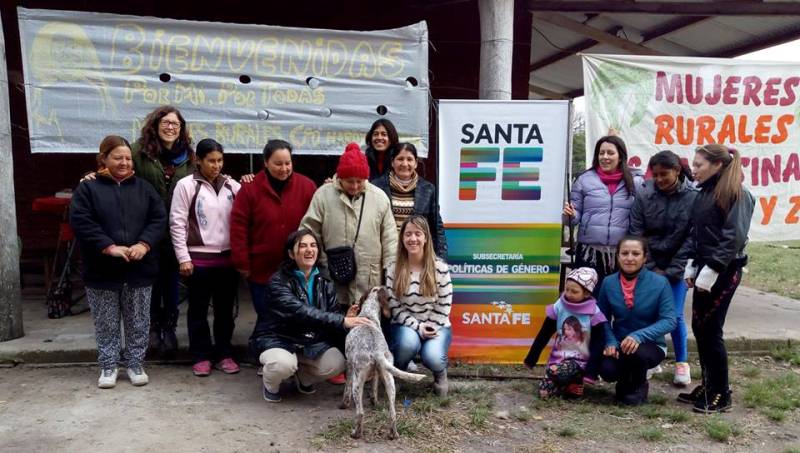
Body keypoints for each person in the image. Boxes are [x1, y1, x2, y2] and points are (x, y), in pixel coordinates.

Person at [70, 135, 166, 388]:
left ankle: (135, 363)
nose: (124, 162)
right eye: (117, 157)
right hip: (101, 269)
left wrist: (143, 244)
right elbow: (81, 221)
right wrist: (108, 247)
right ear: (103, 158)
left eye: (127, 157)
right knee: (106, 321)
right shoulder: (88, 189)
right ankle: (108, 365)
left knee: (138, 320)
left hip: (139, 268)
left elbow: (158, 219)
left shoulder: (144, 188)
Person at [249, 229, 373, 403]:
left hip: (309, 341)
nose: (310, 250)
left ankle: (301, 379)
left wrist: (344, 317)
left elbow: (331, 316)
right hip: (277, 338)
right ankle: (271, 386)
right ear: (292, 254)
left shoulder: (324, 280)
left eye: (313, 245)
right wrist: (342, 320)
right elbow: (301, 312)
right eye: (303, 246)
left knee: (337, 362)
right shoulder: (278, 282)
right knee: (283, 364)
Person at [681, 144, 755, 414]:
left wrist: (711, 270)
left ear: (718, 165)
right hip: (703, 270)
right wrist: (692, 266)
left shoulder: (737, 193)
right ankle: (709, 384)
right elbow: (696, 232)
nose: (694, 169)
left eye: (699, 164)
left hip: (723, 271)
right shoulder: (703, 193)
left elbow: (733, 238)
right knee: (700, 328)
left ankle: (721, 394)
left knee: (711, 331)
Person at [170, 138, 241, 377]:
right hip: (198, 261)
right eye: (211, 160)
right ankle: (201, 355)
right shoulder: (186, 185)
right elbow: (177, 223)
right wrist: (183, 257)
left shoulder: (232, 186)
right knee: (198, 311)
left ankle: (224, 353)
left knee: (224, 311)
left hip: (227, 261)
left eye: (220, 160)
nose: (216, 165)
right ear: (198, 161)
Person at [629, 150, 698, 387]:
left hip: (677, 265)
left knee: (674, 315)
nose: (659, 179)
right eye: (655, 174)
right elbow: (636, 232)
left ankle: (682, 362)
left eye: (664, 174)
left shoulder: (693, 196)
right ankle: (651, 357)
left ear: (677, 171)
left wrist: (671, 272)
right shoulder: (644, 193)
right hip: (648, 264)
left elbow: (692, 237)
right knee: (646, 312)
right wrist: (648, 266)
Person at [300, 142, 398, 307]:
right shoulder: (323, 195)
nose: (354, 186)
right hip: (332, 278)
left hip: (369, 281)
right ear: (340, 177)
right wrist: (321, 262)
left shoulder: (379, 198)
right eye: (349, 181)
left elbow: (390, 239)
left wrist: (391, 274)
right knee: (334, 326)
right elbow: (309, 232)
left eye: (359, 181)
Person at [133, 105, 195, 356]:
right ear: (155, 126)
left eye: (176, 124)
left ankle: (169, 327)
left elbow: (204, 179)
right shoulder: (139, 152)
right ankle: (151, 328)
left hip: (176, 231)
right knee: (148, 281)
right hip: (145, 228)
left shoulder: (189, 156)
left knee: (171, 282)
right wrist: (94, 174)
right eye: (166, 123)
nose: (170, 127)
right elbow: (120, 170)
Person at [230, 139, 317, 317]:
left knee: (297, 317)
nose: (284, 168)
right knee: (267, 318)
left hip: (298, 269)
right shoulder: (250, 189)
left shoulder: (307, 187)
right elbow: (239, 228)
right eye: (278, 163)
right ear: (266, 163)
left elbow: (316, 225)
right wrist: (242, 263)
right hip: (262, 269)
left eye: (288, 163)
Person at [597, 236, 676, 406]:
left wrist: (639, 336)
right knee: (607, 370)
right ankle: (624, 382)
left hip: (650, 344)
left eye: (635, 253)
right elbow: (601, 317)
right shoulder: (608, 282)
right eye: (624, 253)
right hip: (619, 343)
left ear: (644, 257)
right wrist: (609, 341)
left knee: (636, 353)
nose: (629, 258)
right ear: (617, 256)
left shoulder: (660, 283)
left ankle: (639, 386)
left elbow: (669, 320)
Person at [563, 135, 643, 290]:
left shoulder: (635, 182)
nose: (605, 157)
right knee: (589, 300)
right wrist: (570, 216)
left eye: (610, 153)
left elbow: (641, 216)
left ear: (620, 156)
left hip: (622, 254)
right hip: (589, 252)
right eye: (601, 153)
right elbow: (574, 217)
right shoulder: (584, 180)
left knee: (619, 301)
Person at [384, 216, 452, 396]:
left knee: (434, 357)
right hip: (406, 325)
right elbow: (395, 307)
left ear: (426, 238)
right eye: (408, 234)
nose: (412, 239)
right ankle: (399, 371)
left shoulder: (440, 268)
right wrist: (418, 327)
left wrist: (430, 326)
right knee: (407, 344)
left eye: (417, 234)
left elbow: (445, 304)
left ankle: (440, 374)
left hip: (437, 324)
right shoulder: (393, 268)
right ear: (402, 239)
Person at [523, 267, 606, 399]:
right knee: (544, 393)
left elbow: (599, 342)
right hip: (558, 359)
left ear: (586, 293)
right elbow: (544, 333)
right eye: (567, 289)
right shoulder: (559, 306)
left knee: (559, 372)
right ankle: (567, 385)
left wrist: (591, 372)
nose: (568, 293)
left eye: (574, 291)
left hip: (579, 362)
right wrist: (532, 358)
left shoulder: (593, 312)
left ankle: (576, 380)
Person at [371, 143, 447, 258]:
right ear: (392, 162)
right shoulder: (377, 187)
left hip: (417, 255)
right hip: (386, 255)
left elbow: (437, 227)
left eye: (409, 159)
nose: (405, 164)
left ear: (416, 163)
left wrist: (441, 259)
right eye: (400, 159)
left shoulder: (428, 189)